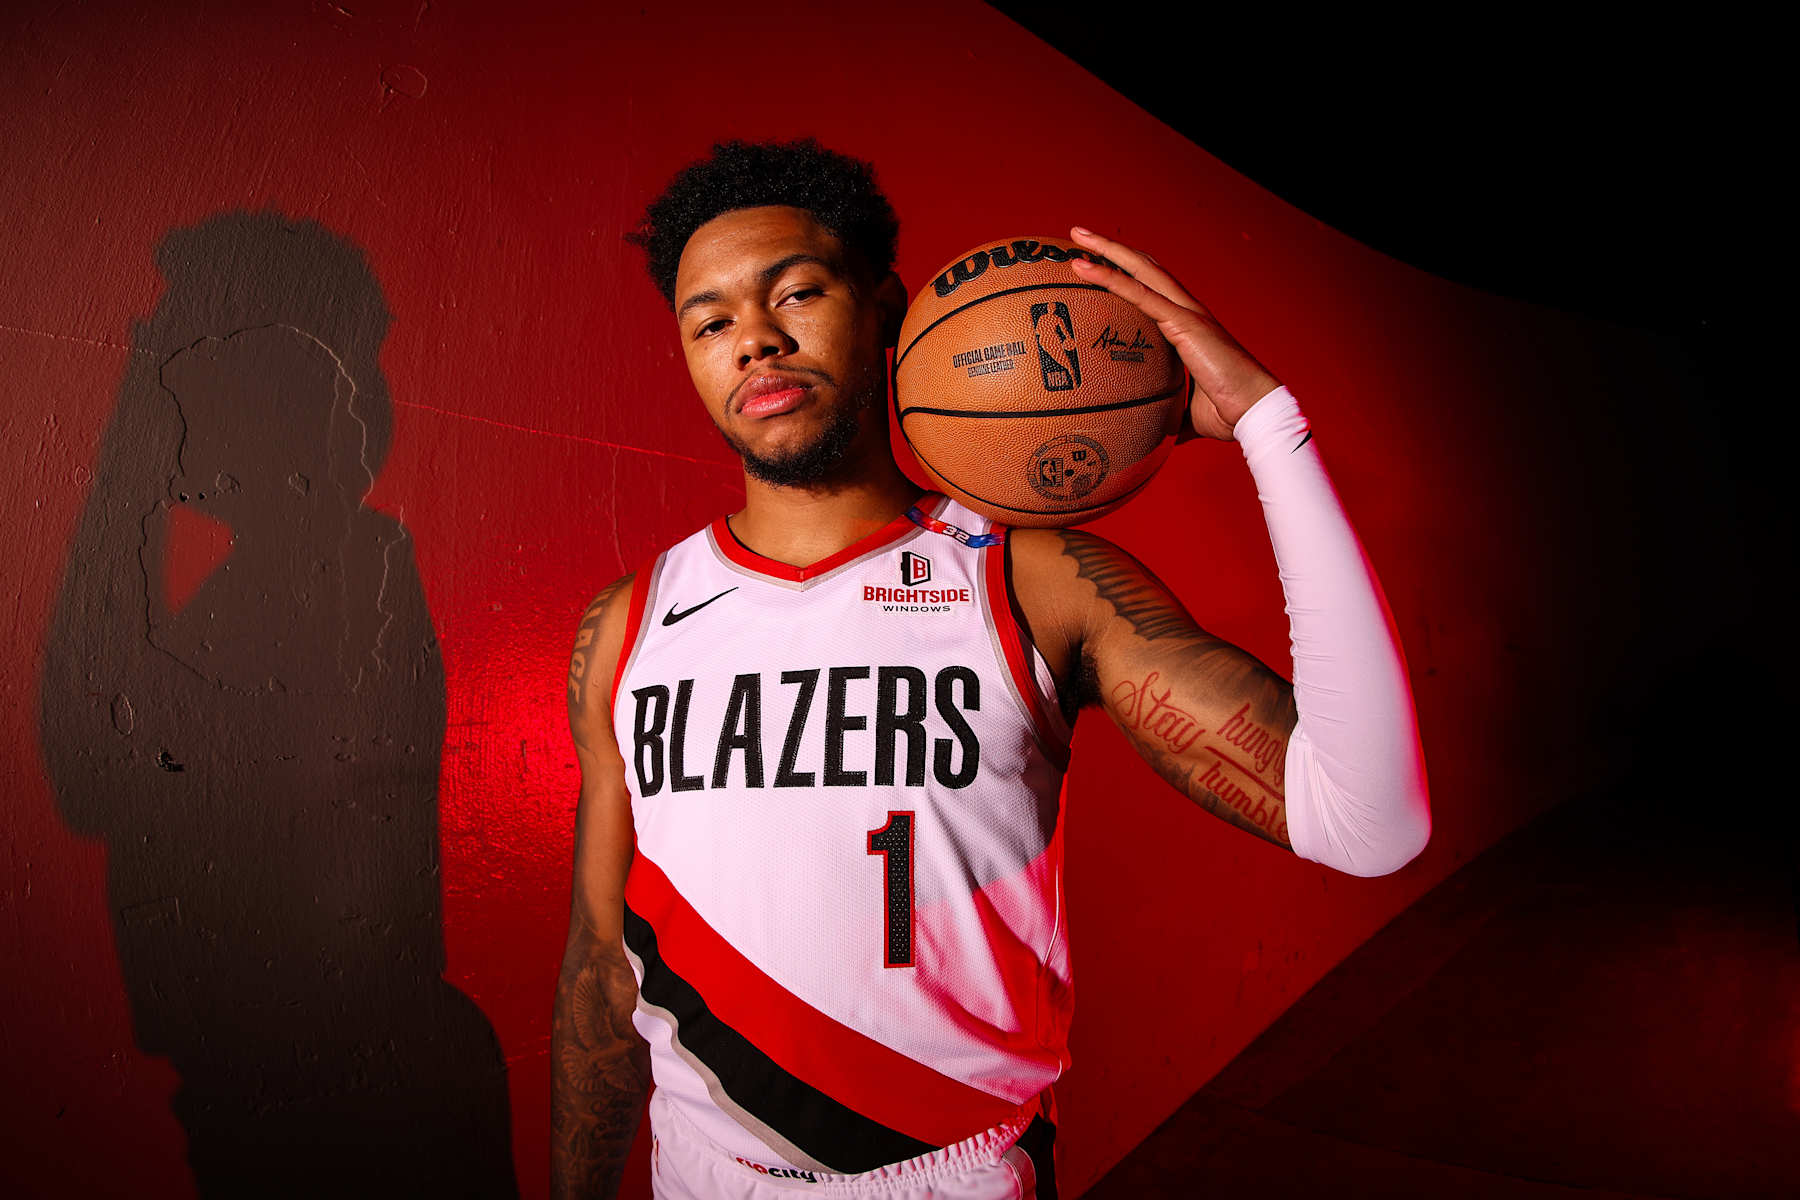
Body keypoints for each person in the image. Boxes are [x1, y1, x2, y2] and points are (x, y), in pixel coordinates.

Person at [551, 139, 1430, 1200]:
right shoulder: (629, 624)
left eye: (799, 293)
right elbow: (604, 966)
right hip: (699, 1175)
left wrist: (1268, 429)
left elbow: (1369, 822)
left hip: (948, 1177)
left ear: (888, 308)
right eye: (712, 322)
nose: (757, 342)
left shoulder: (1029, 578)